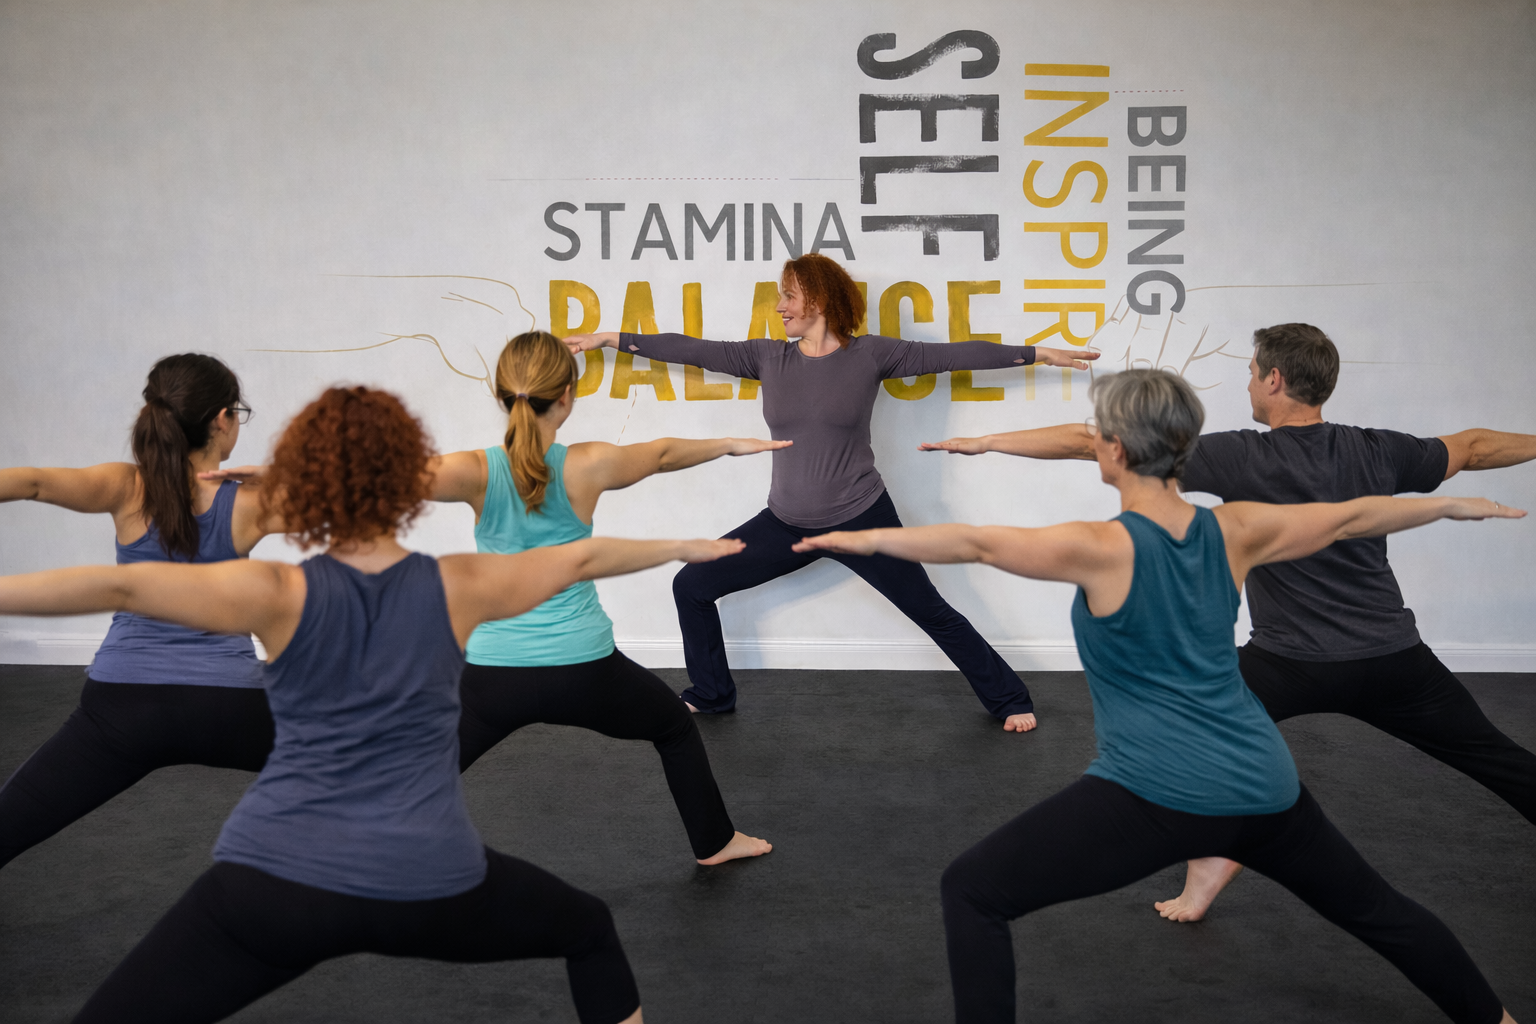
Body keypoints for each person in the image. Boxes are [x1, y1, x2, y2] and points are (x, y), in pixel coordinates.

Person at [0, 384, 745, 1023]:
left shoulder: (276, 593)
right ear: (406, 485)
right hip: (430, 878)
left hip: (272, 884)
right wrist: (681, 546)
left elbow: (119, 586)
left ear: (311, 490)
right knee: (586, 928)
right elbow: (581, 556)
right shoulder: (460, 584)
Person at [798, 368, 1522, 1024]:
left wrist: (865, 541)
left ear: (1110, 449)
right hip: (1264, 785)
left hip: (1160, 793)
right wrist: (1447, 510)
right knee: (1378, 911)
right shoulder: (1234, 529)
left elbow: (979, 544)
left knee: (972, 890)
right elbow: (1351, 517)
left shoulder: (1101, 546)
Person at [920, 322, 1536, 922]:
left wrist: (985, 442)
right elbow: (1474, 447)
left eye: (1249, 373)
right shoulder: (1380, 449)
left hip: (1288, 663)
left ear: (1273, 379)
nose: (1246, 385)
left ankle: (1212, 859)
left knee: (1189, 743)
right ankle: (1210, 867)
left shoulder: (1239, 455)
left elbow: (1094, 440)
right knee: (1498, 759)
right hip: (1391, 659)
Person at [565, 252, 1099, 731]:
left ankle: (1008, 699)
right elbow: (693, 349)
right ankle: (711, 693)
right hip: (786, 523)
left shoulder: (871, 356)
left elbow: (957, 355)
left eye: (788, 296)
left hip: (861, 516)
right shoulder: (767, 358)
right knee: (693, 585)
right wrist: (611, 338)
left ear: (817, 300)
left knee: (932, 610)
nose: (779, 307)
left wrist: (1036, 354)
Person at [428, 330, 776, 865]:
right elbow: (660, 454)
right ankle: (716, 841)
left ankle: (350, 854)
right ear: (567, 396)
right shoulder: (587, 464)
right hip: (584, 669)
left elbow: (378, 480)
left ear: (500, 395)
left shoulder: (473, 470)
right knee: (674, 726)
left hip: (494, 673)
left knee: (420, 770)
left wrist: (276, 475)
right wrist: (729, 443)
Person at [0, 353, 288, 870]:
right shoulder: (250, 503)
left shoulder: (125, 486)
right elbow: (367, 506)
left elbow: (33, 482)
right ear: (223, 419)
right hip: (230, 708)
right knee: (366, 758)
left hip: (120, 707)